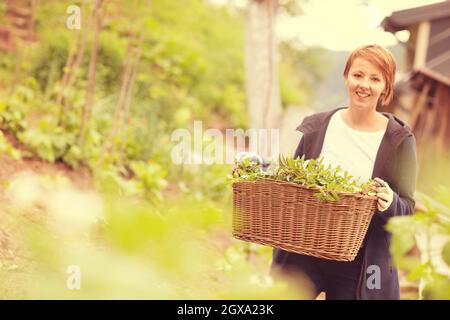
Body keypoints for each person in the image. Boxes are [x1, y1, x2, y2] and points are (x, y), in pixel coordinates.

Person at [270, 44, 417, 300]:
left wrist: (390, 201)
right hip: (305, 251)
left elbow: (407, 209)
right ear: (346, 77)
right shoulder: (317, 128)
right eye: (358, 75)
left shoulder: (399, 140)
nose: (364, 85)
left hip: (359, 262)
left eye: (375, 79)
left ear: (386, 87)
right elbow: (291, 183)